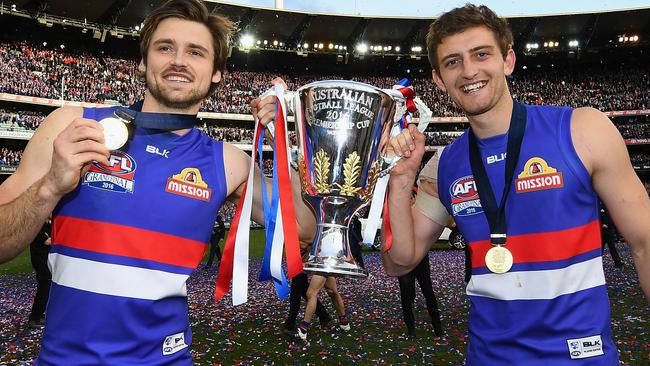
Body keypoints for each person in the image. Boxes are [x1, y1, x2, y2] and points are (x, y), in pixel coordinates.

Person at [0, 0, 314, 364]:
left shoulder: (227, 162)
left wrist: (285, 136)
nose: (178, 60)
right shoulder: (71, 127)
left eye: (196, 52)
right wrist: (50, 186)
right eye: (165, 47)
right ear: (143, 61)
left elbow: (302, 231)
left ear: (216, 73)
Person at [382, 4, 650, 365]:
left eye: (481, 54)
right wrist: (400, 179)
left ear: (507, 60)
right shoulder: (443, 164)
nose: (469, 71)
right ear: (439, 79)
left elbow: (645, 243)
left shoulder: (583, 130)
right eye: (453, 62)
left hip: (582, 357)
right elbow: (399, 262)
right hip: (488, 358)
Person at [282, 240, 333, 336]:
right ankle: (324, 316)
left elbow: (310, 239)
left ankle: (290, 323)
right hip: (298, 257)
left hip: (302, 258)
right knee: (302, 289)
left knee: (296, 291)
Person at [297, 274, 350, 341]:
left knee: (311, 294)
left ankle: (303, 328)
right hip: (327, 265)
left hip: (322, 265)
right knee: (332, 291)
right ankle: (344, 321)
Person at [27, 216, 52, 329]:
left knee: (45, 290)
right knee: (43, 289)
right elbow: (48, 241)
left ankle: (39, 314)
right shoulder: (38, 227)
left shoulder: (48, 225)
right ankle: (34, 318)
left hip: (46, 261)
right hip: (40, 262)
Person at [599, 202, 624, 267]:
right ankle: (597, 264)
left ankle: (617, 262)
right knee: (600, 249)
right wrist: (602, 224)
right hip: (602, 232)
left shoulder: (609, 209)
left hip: (609, 231)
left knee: (612, 247)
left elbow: (612, 219)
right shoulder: (599, 208)